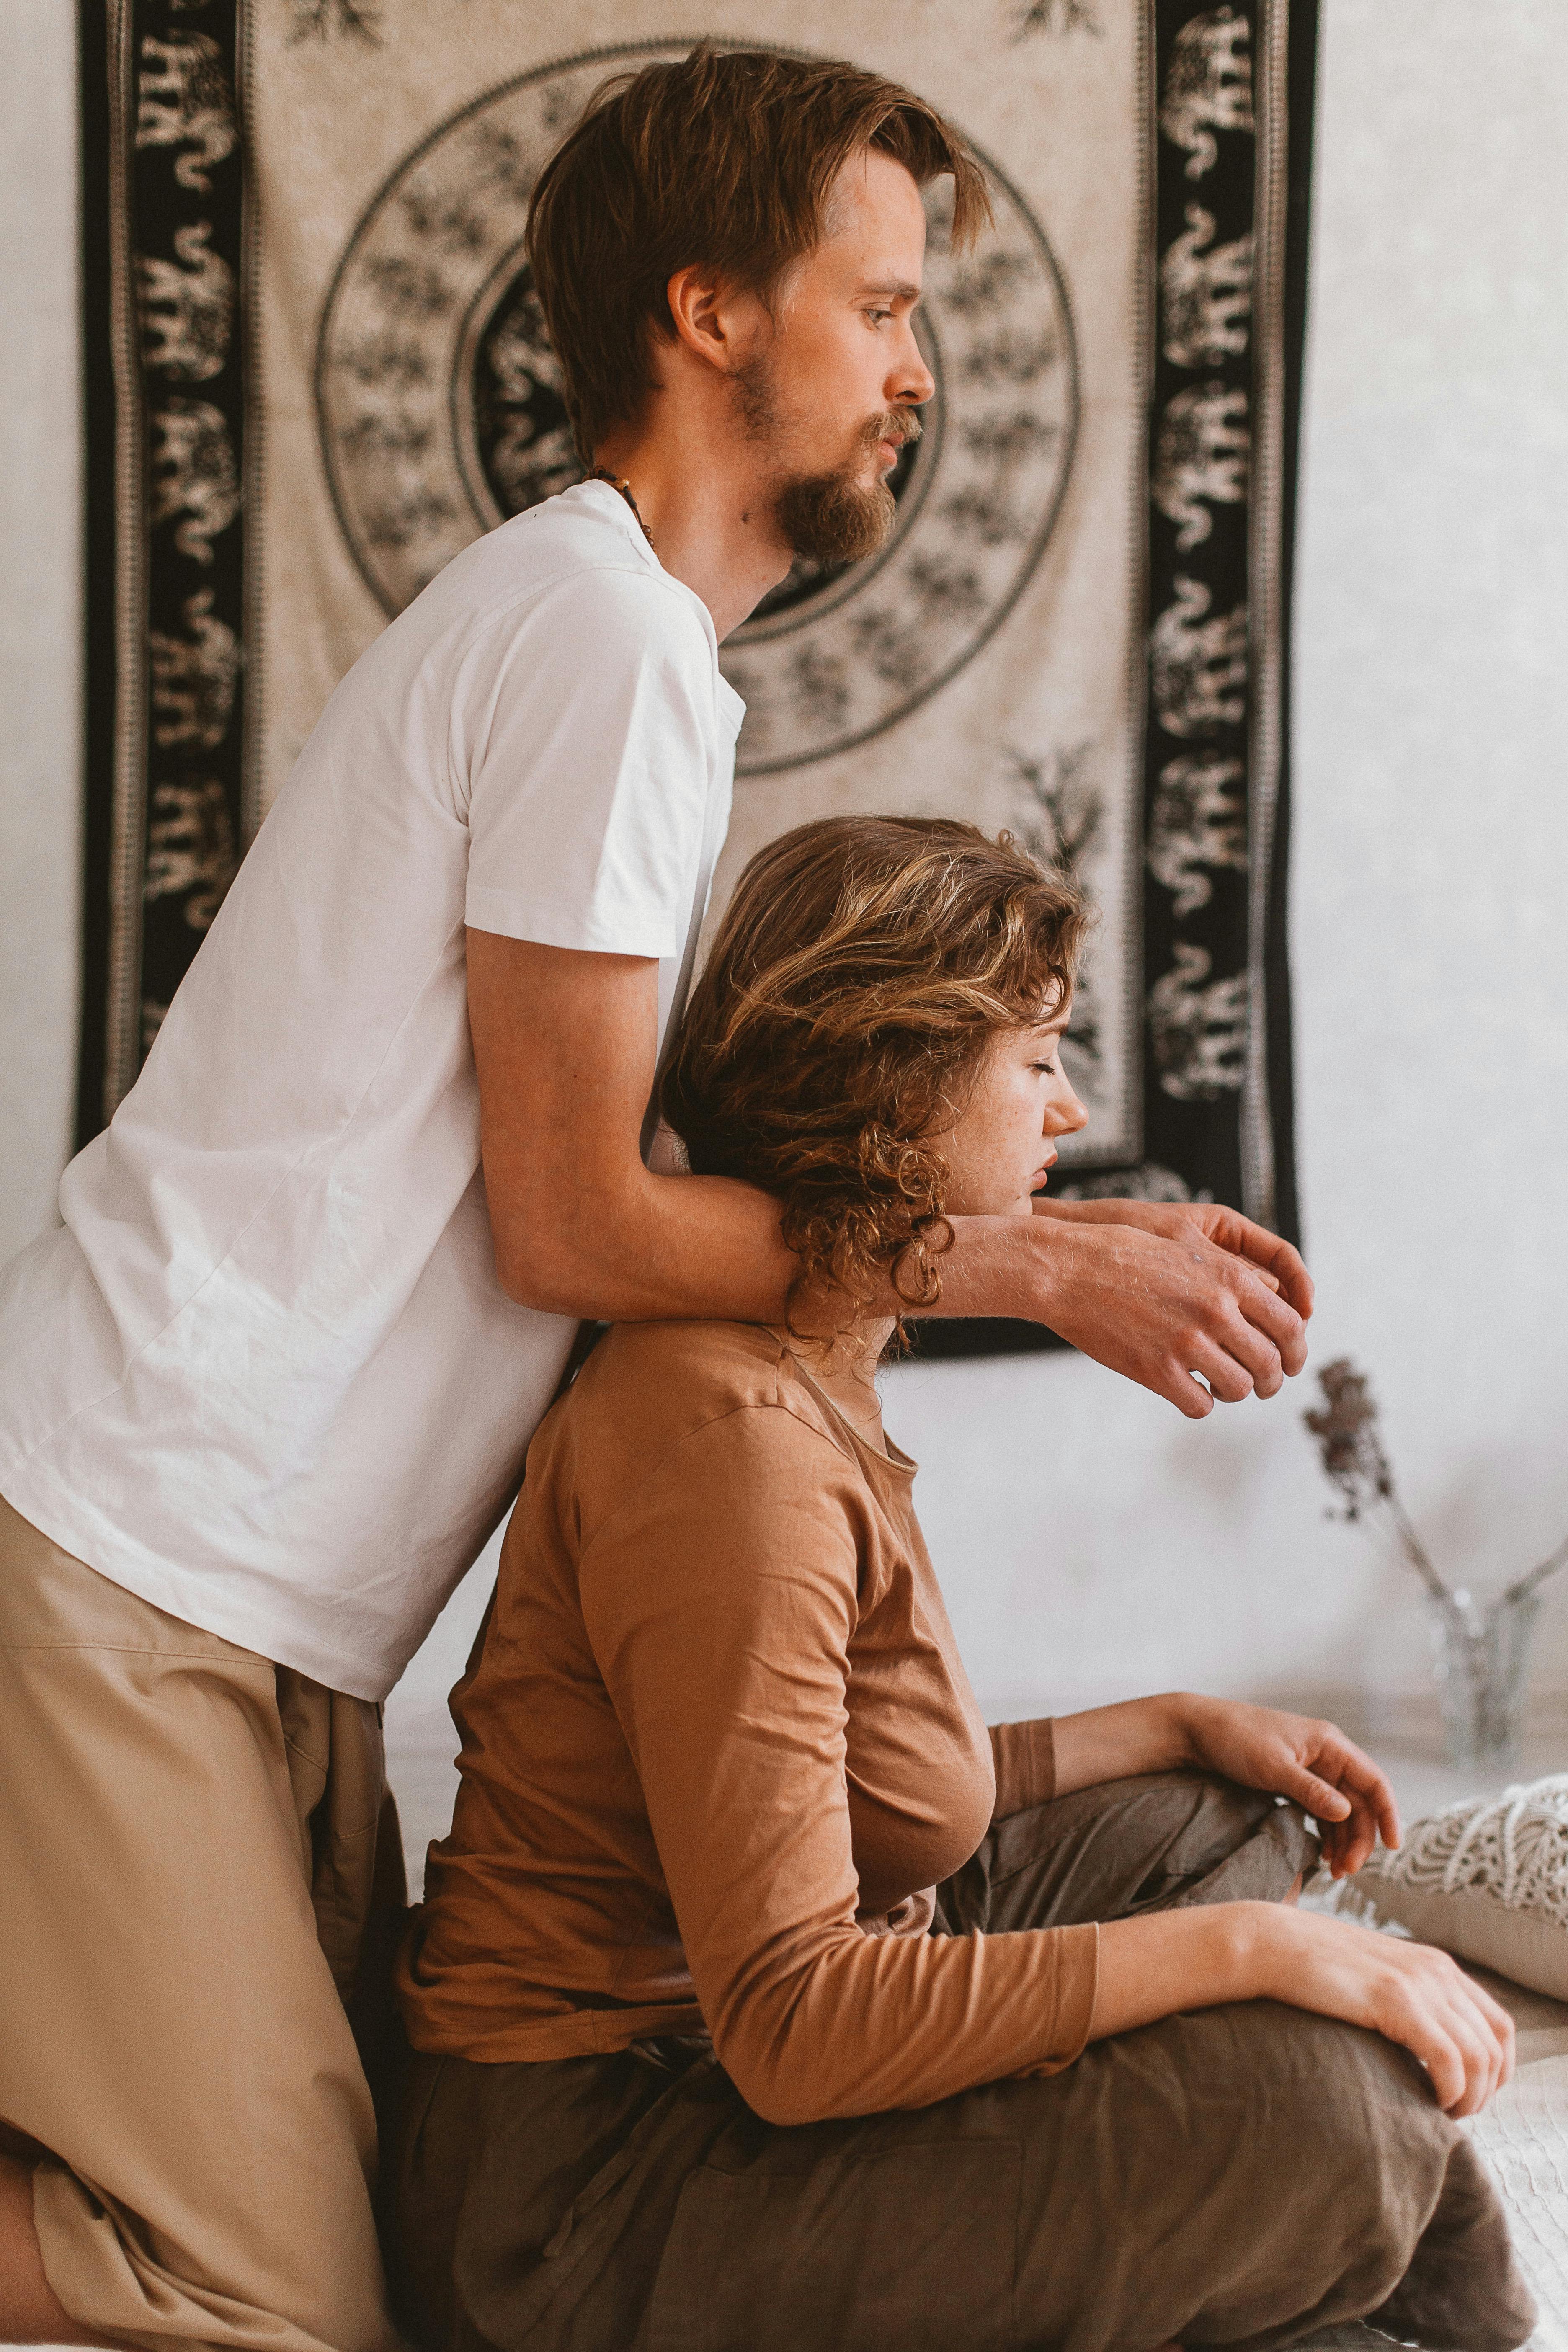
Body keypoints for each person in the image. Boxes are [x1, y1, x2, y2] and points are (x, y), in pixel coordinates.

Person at [0, 47, 1309, 2352]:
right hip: (131, 1551)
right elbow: (577, 1223)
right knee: (260, 2300)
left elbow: (611, 1185)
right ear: (712, 313)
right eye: (882, 306)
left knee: (346, 2230)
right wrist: (1029, 1261)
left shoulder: (621, 652)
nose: (916, 372)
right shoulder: (598, 634)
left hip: (270, 1596)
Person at [390, 816, 1531, 2352]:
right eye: (1036, 1059)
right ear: (902, 1080)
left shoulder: (804, 1366)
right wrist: (1264, 1950)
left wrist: (1170, 1723)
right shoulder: (725, 1437)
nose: (1071, 1108)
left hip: (715, 2059)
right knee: (1333, 2106)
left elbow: (816, 1802)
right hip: (588, 2194)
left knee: (1221, 1825)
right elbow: (794, 2024)